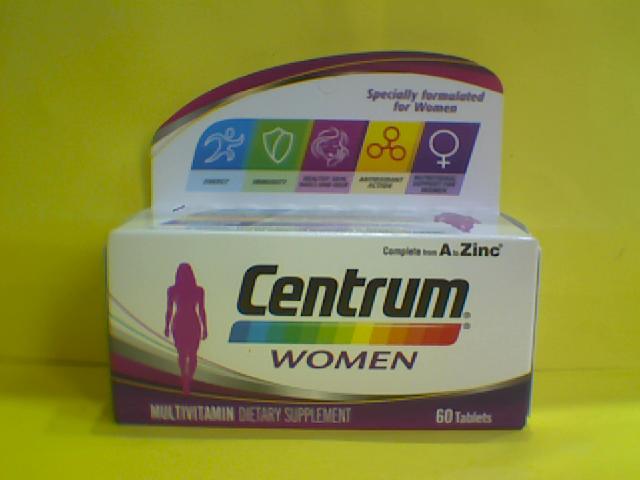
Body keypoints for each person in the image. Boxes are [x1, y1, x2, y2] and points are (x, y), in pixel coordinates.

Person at [164, 263, 207, 395]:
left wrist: (205, 327)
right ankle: (184, 378)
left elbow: (202, 310)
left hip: (191, 322)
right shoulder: (172, 290)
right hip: (180, 322)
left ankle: (188, 378)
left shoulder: (198, 290)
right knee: (182, 353)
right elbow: (169, 309)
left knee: (192, 353)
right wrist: (166, 325)